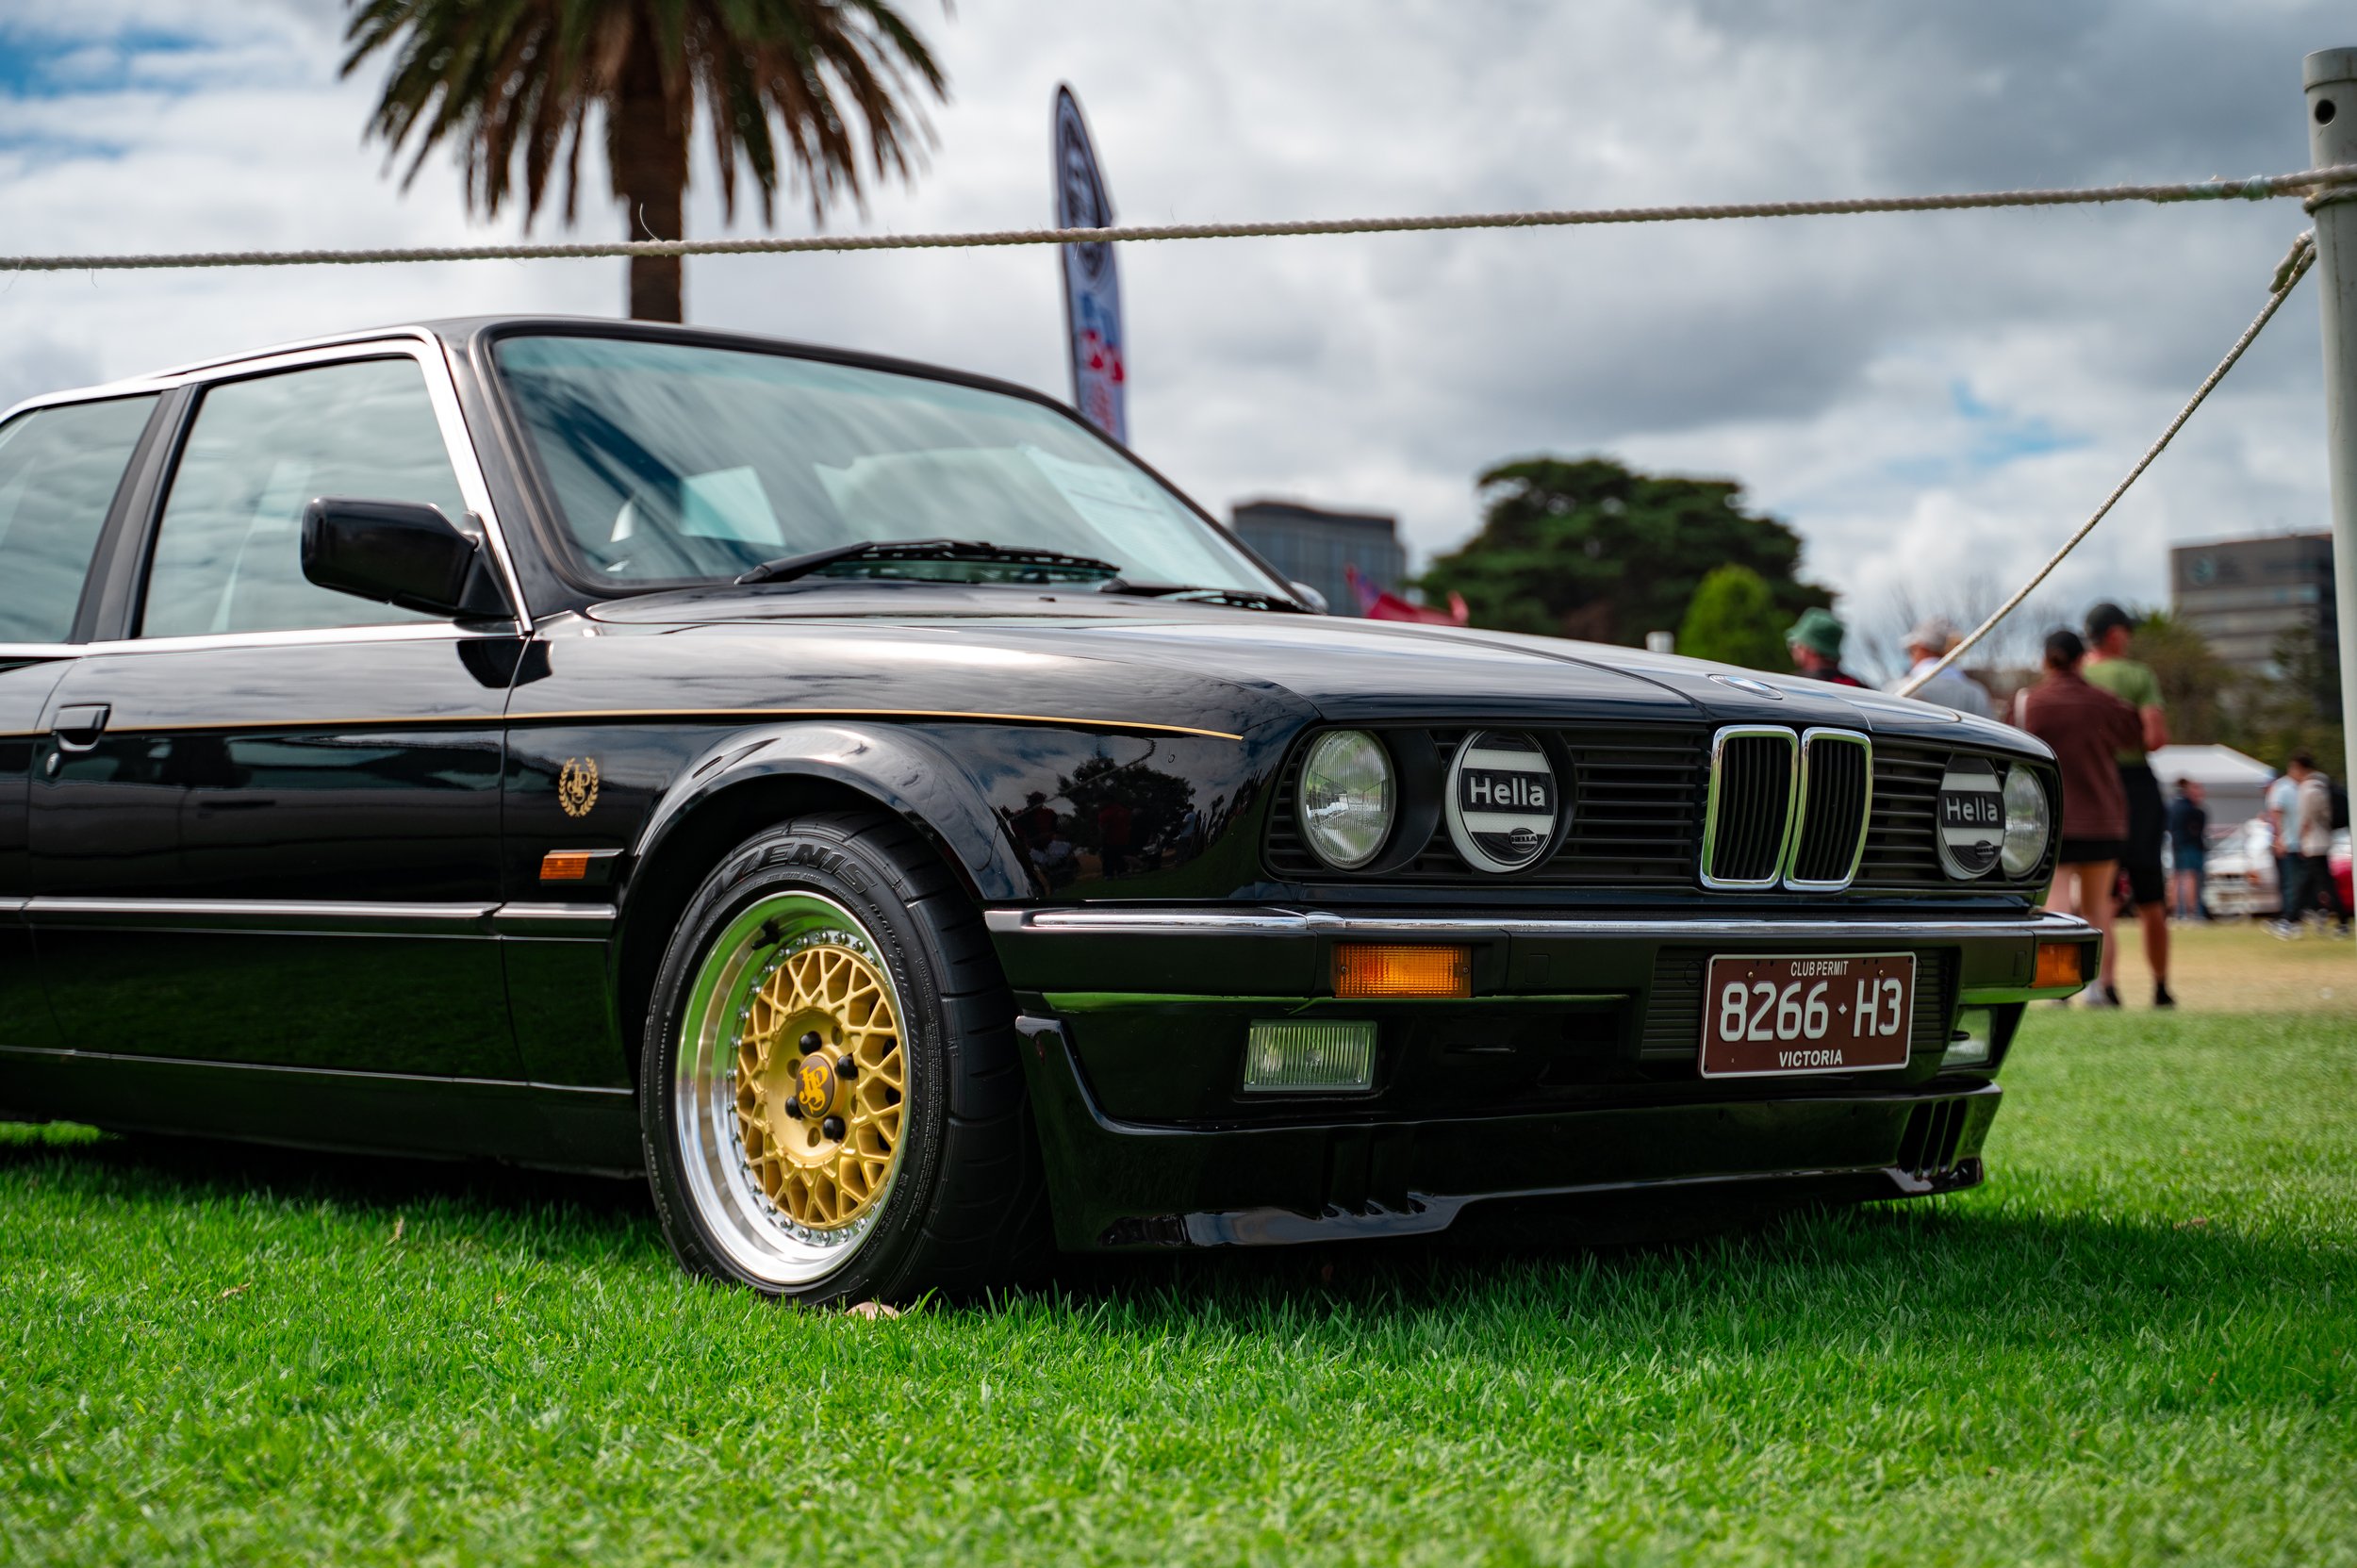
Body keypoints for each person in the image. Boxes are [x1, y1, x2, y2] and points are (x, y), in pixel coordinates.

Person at [2017, 628, 2143, 1007]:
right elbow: (2135, 735)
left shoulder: (2029, 703)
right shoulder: (2104, 703)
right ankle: (2099, 987)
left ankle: (2057, 987)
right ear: (2080, 659)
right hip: (2103, 817)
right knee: (2098, 906)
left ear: (2045, 660)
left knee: (2055, 903)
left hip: (2053, 820)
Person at [2081, 602, 2174, 1007]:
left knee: (2099, 897)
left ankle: (2105, 985)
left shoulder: (2077, 676)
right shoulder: (2138, 675)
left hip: (2092, 788)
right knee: (2151, 895)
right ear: (2116, 635)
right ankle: (2160, 987)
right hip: (2136, 787)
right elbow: (2155, 738)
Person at [2281, 750, 2352, 935]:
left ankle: (2291, 920)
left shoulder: (2308, 788)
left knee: (2317, 884)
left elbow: (2305, 818)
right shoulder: (2322, 784)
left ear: (2299, 768)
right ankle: (2294, 918)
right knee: (2313, 883)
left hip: (2314, 843)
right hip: (2323, 840)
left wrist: (2300, 840)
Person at [1885, 616, 1993, 717]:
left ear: (1922, 648)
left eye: (1911, 650)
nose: (1911, 657)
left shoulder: (1897, 689)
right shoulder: (1976, 694)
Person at [1786, 607, 1864, 687]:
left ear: (1810, 649)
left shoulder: (1790, 686)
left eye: (1794, 643)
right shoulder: (1859, 688)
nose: (1794, 649)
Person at [2165, 778, 2208, 922]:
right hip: (2189, 845)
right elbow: (2198, 828)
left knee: (2177, 877)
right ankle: (2191, 912)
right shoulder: (2192, 810)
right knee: (2190, 877)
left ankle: (2176, 912)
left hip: (2176, 844)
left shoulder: (2173, 806)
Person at [2266, 765, 2302, 925]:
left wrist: (2278, 838)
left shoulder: (2281, 788)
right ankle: (2291, 915)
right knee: (2292, 881)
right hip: (2295, 842)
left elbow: (2276, 812)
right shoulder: (2293, 787)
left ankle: (2289, 917)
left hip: (2288, 843)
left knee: (2289, 882)